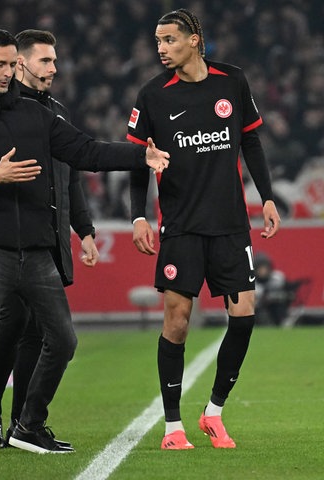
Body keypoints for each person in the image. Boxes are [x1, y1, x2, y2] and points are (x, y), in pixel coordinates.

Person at [0, 28, 170, 460]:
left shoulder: (36, 115)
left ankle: (29, 424)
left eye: (9, 64)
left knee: (63, 340)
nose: (5, 73)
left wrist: (140, 156)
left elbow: (86, 152)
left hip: (36, 249)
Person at [127, 9, 281, 450]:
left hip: (232, 223)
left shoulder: (232, 81)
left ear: (194, 39)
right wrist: (138, 215)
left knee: (245, 316)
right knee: (176, 322)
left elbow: (251, 140)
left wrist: (267, 196)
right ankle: (173, 427)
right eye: (158, 41)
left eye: (170, 39)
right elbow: (139, 160)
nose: (161, 48)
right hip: (181, 225)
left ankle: (213, 412)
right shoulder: (153, 95)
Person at [0, 29, 99, 449]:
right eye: (45, 61)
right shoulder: (2, 111)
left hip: (48, 237)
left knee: (35, 332)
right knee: (13, 325)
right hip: (13, 238)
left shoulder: (57, 113)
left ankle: (20, 423)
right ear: (21, 63)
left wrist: (84, 230)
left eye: (54, 60)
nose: (54, 68)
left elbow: (72, 178)